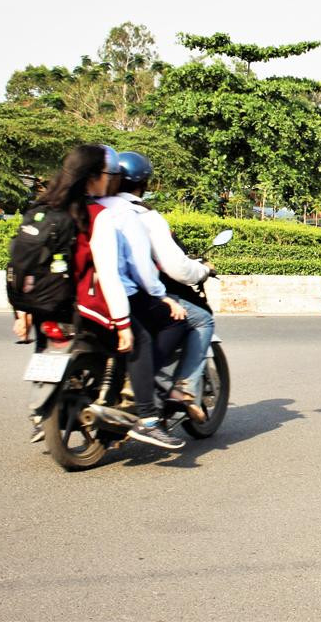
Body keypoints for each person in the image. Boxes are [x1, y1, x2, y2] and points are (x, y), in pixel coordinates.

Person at [93, 160, 192, 446]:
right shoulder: (128, 213)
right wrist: (161, 295)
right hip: (118, 292)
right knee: (174, 322)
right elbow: (142, 265)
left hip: (77, 295)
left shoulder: (80, 205)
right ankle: (145, 407)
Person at [115, 151, 215, 421]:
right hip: (135, 293)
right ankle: (180, 388)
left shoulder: (98, 208)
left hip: (92, 294)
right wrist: (203, 270)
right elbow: (176, 268)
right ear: (144, 184)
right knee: (201, 320)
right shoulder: (143, 216)